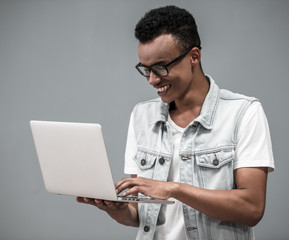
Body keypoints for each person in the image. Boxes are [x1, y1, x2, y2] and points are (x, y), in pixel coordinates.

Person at [77, 5, 275, 240]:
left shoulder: (243, 112)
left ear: (194, 56)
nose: (152, 79)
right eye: (145, 69)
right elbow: (140, 214)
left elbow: (252, 208)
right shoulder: (142, 116)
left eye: (161, 67)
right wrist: (119, 210)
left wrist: (173, 189)